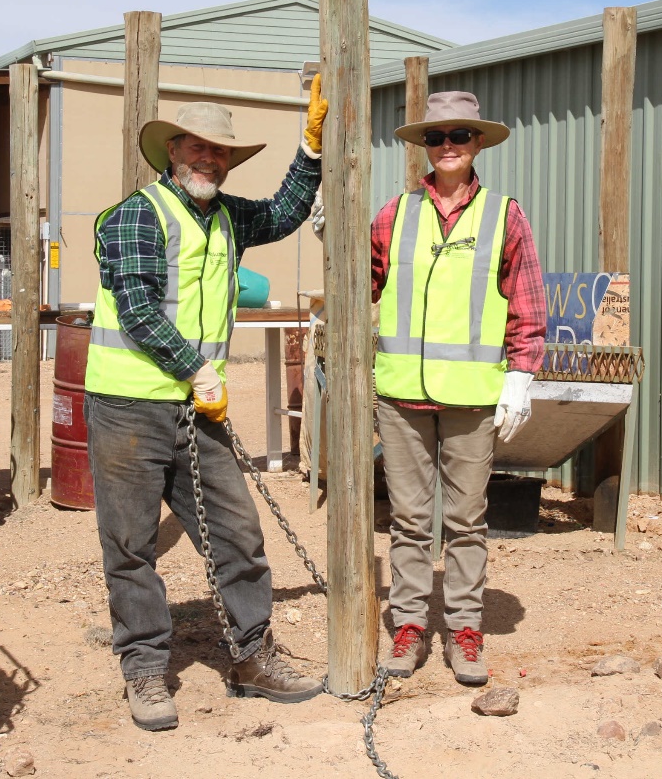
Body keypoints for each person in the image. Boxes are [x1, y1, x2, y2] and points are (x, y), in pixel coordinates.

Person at [84, 81, 327, 732]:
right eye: (197, 147)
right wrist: (194, 368)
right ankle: (143, 671)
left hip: (199, 411)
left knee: (236, 533)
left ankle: (251, 657)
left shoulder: (226, 216)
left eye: (219, 152)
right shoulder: (136, 214)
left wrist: (310, 147)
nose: (209, 160)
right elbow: (135, 307)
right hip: (129, 407)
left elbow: (284, 212)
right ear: (171, 151)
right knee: (131, 546)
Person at [371, 91, 545, 685]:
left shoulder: (504, 216)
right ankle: (411, 624)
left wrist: (520, 375)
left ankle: (465, 627)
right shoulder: (395, 215)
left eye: (460, 136)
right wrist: (330, 237)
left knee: (467, 520)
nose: (448, 147)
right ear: (424, 146)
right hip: (402, 397)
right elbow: (361, 281)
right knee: (411, 521)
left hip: (472, 399)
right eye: (437, 137)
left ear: (477, 144)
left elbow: (526, 303)